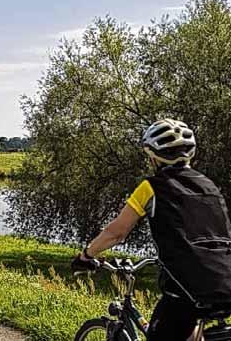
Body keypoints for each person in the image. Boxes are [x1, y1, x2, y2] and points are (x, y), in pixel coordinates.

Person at [71, 119, 231, 341]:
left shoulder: (151, 187)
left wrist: (86, 255)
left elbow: (116, 233)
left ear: (153, 156)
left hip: (184, 288)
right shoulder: (210, 187)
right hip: (225, 281)